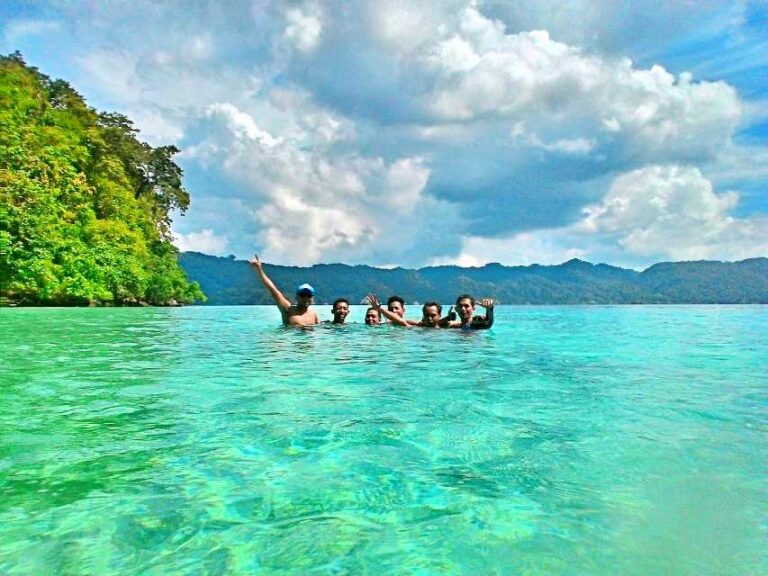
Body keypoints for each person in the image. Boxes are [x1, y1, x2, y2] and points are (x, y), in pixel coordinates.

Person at [249, 253, 319, 326]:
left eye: (309, 295)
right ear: (297, 297)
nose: (306, 298)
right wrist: (259, 270)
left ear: (313, 298)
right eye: (302, 295)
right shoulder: (288, 309)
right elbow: (273, 291)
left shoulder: (313, 314)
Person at [367, 294, 445, 328]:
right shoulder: (384, 326)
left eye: (396, 308)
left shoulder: (418, 325)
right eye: (391, 309)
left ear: (403, 310)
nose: (394, 311)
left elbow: (402, 322)